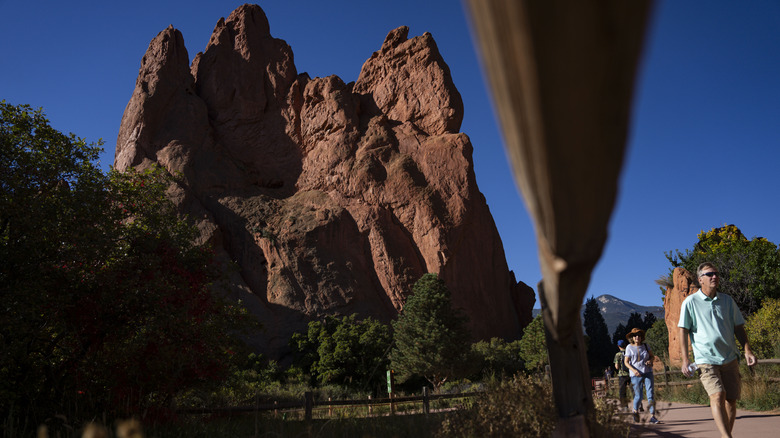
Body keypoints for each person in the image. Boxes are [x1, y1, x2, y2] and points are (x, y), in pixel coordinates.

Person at [679, 262, 756, 438]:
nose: (714, 276)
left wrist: (747, 350)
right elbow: (683, 330)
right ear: (700, 279)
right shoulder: (690, 302)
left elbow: (738, 327)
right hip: (705, 358)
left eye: (716, 274)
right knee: (717, 395)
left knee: (731, 400)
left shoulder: (727, 301)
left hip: (729, 357)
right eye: (709, 274)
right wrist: (685, 359)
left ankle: (724, 435)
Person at [624, 327, 661, 424]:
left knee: (650, 393)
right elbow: (626, 362)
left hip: (647, 372)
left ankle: (652, 416)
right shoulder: (629, 347)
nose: (637, 337)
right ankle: (635, 411)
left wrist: (650, 360)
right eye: (635, 335)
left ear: (641, 337)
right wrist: (634, 370)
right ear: (632, 337)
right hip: (635, 374)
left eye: (639, 335)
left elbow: (652, 356)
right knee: (639, 396)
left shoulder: (646, 346)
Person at [613, 339, 631, 411]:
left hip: (622, 375)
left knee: (622, 392)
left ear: (618, 346)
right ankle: (639, 405)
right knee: (634, 390)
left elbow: (617, 367)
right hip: (631, 373)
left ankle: (625, 406)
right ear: (625, 345)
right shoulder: (629, 352)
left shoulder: (618, 355)